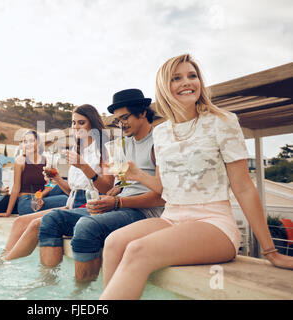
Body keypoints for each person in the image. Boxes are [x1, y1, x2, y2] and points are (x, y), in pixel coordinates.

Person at [99, 54, 293, 300]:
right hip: (172, 217)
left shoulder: (222, 121)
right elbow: (163, 188)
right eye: (176, 78)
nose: (187, 82)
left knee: (138, 250)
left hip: (214, 223)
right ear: (164, 88)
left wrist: (270, 250)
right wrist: (136, 174)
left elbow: (243, 187)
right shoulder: (161, 133)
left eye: (192, 76)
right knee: (114, 242)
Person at [38, 89, 165, 282]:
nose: (121, 124)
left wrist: (117, 202)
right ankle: (47, 284)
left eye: (125, 118)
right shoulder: (123, 144)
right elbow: (118, 184)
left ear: (143, 112)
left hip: (144, 211)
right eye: (117, 120)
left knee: (86, 226)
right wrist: (116, 191)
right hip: (121, 205)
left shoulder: (158, 143)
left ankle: (81, 293)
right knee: (52, 219)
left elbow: (162, 195)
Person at [1, 104, 114, 261]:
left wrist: (83, 166)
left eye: (81, 122)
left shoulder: (103, 149)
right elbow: (71, 190)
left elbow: (108, 188)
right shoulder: (76, 149)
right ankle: (2, 258)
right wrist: (56, 178)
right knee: (20, 221)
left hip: (90, 205)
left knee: (35, 224)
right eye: (73, 123)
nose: (76, 127)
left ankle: (3, 264)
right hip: (72, 202)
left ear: (93, 123)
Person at [0, 130, 68, 217]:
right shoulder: (20, 161)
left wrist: (39, 196)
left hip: (40, 197)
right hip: (26, 202)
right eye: (25, 142)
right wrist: (7, 212)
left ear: (39, 143)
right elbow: (16, 187)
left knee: (63, 186)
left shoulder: (45, 160)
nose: (28, 144)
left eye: (31, 141)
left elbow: (49, 186)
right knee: (64, 200)